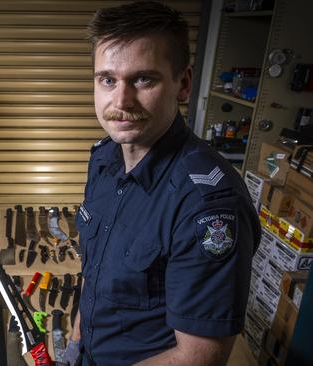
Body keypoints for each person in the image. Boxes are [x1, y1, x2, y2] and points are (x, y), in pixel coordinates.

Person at [59, 2, 261, 365]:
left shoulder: (208, 205)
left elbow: (200, 357)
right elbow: (95, 270)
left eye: (143, 79)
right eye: (107, 79)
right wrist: (75, 344)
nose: (121, 101)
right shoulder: (105, 158)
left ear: (182, 84)